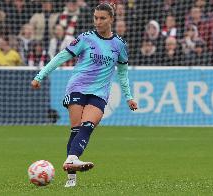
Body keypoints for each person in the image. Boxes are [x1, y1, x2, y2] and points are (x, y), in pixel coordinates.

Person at [31, 3, 138, 187]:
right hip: (77, 87)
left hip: (99, 93)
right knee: (76, 128)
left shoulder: (119, 44)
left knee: (87, 125)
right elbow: (61, 57)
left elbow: (122, 72)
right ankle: (71, 179)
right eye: (95, 18)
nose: (98, 22)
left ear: (111, 19)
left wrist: (128, 96)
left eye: (102, 18)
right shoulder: (85, 38)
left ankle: (71, 160)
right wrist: (40, 76)